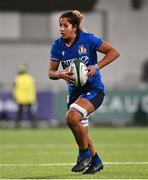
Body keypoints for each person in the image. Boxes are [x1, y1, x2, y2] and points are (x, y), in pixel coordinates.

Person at [48, 10, 119, 174]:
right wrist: (59, 74)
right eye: (60, 25)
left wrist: (96, 66)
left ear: (74, 27)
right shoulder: (57, 45)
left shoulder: (88, 39)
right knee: (79, 128)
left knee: (72, 117)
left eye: (65, 25)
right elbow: (51, 73)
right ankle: (96, 161)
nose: (61, 29)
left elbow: (114, 52)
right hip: (74, 93)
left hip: (94, 89)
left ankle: (83, 155)